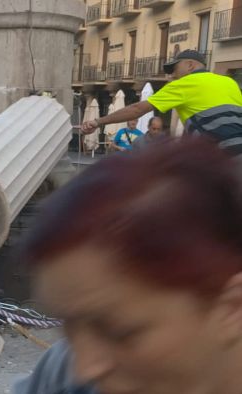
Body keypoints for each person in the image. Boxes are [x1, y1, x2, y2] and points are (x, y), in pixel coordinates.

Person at [13, 138, 242, 394]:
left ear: (232, 308)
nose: (84, 369)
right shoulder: (60, 377)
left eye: (121, 333)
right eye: (68, 326)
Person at [81, 50, 242, 155]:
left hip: (222, 156)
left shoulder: (184, 84)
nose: (172, 75)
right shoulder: (229, 82)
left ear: (190, 65)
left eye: (174, 69)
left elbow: (138, 109)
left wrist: (98, 121)